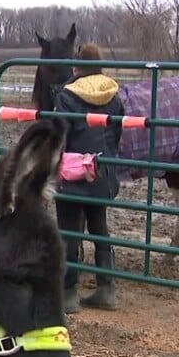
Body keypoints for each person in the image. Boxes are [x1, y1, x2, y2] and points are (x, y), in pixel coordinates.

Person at [53, 43, 124, 313]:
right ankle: (107, 288)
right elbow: (117, 133)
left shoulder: (67, 97)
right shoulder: (113, 96)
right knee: (99, 228)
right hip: (102, 171)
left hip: (74, 172)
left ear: (77, 65)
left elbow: (60, 135)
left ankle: (68, 292)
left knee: (69, 232)